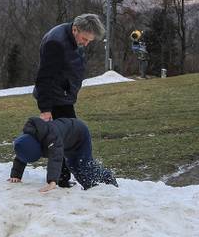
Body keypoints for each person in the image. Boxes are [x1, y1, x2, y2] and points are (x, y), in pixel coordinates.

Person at [33, 13, 105, 187]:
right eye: (85, 39)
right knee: (70, 136)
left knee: (64, 137)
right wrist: (45, 109)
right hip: (55, 99)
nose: (86, 43)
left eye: (89, 41)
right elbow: (44, 77)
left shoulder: (71, 36)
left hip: (63, 96)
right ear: (75, 29)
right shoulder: (56, 43)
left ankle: (62, 177)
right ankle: (67, 177)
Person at [7, 116, 118, 193]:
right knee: (74, 167)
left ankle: (107, 177)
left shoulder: (51, 137)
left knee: (84, 167)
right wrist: (16, 175)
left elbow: (55, 158)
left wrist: (52, 181)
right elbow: (22, 154)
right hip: (67, 141)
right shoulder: (28, 139)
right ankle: (91, 188)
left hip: (79, 135)